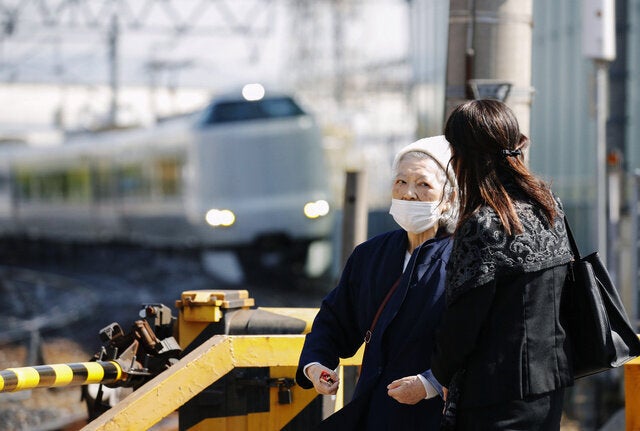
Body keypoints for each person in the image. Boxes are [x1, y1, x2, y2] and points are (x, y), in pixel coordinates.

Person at [295, 135, 458, 430]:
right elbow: (335, 319)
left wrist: (428, 384)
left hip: (434, 417)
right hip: (375, 412)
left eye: (423, 184)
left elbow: (477, 341)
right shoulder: (371, 254)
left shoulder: (463, 259)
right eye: (400, 182)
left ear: (449, 198)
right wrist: (317, 364)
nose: (408, 194)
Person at [431, 99, 574, 430]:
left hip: (493, 396)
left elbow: (462, 326)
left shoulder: (484, 225)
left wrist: (439, 371)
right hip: (549, 387)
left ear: (463, 157)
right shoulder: (550, 208)